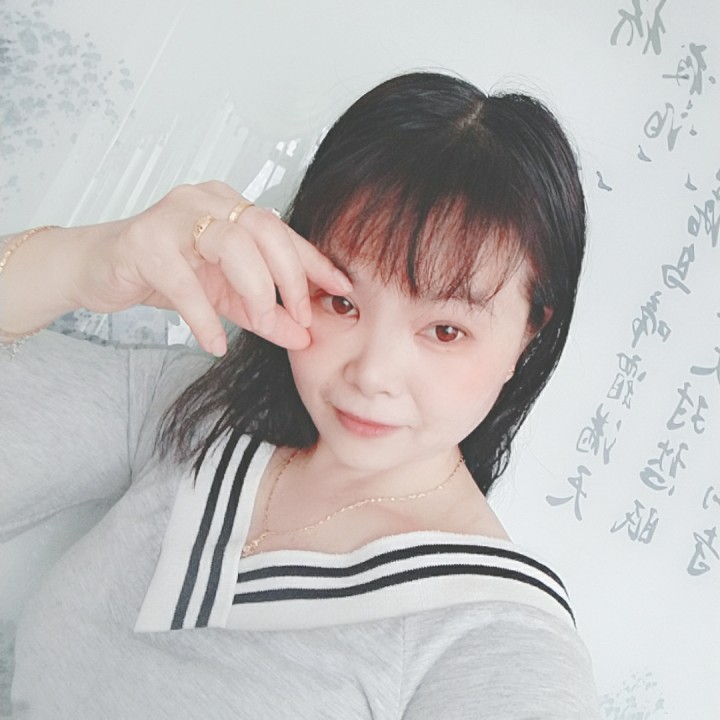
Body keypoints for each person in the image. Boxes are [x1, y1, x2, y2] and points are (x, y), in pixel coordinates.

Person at [0, 72, 600, 718]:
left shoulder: (501, 647)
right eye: (341, 301)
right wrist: (87, 262)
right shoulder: (195, 414)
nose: (372, 373)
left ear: (529, 335)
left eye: (445, 331)